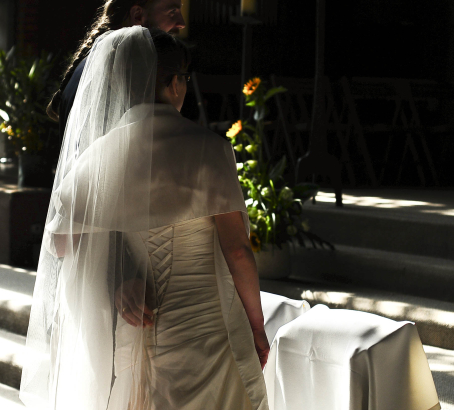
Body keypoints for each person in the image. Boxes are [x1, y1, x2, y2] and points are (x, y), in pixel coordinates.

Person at [20, 26, 269, 410]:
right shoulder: (210, 149)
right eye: (184, 78)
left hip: (139, 335)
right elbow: (237, 251)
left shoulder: (99, 158)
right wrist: (257, 326)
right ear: (173, 83)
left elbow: (61, 243)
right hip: (209, 335)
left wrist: (119, 274)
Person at [46, 0, 186, 135]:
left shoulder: (102, 62)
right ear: (138, 16)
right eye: (172, 12)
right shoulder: (119, 74)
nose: (181, 24)